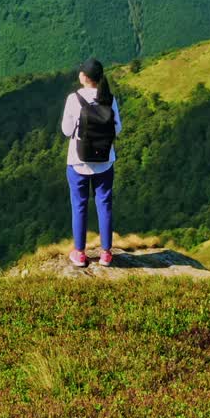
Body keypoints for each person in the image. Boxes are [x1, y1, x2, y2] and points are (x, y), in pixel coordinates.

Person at [60, 58, 121, 268]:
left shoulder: (73, 98)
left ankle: (80, 253)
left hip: (78, 161)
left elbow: (66, 131)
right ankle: (106, 254)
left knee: (79, 205)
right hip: (105, 161)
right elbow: (117, 129)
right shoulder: (109, 99)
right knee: (104, 204)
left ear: (84, 77)